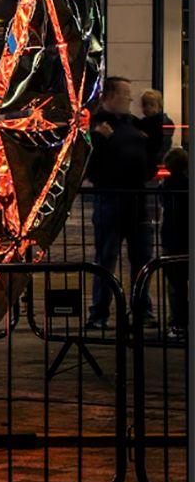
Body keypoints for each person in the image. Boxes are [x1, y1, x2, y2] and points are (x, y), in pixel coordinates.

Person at [85, 76, 154, 329]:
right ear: (110, 97)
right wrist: (100, 140)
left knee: (142, 258)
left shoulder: (132, 124)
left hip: (136, 200)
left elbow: (148, 159)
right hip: (111, 198)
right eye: (125, 95)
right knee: (106, 257)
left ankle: (142, 310)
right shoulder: (96, 126)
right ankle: (99, 312)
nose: (130, 99)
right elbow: (88, 164)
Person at [160, 147, 188, 341]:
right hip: (185, 237)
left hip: (172, 239)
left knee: (175, 285)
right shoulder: (187, 185)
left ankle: (177, 322)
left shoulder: (165, 188)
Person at [136, 89, 174, 181]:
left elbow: (160, 144)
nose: (148, 108)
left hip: (153, 161)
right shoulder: (143, 122)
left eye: (151, 105)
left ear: (159, 107)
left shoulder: (160, 122)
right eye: (145, 105)